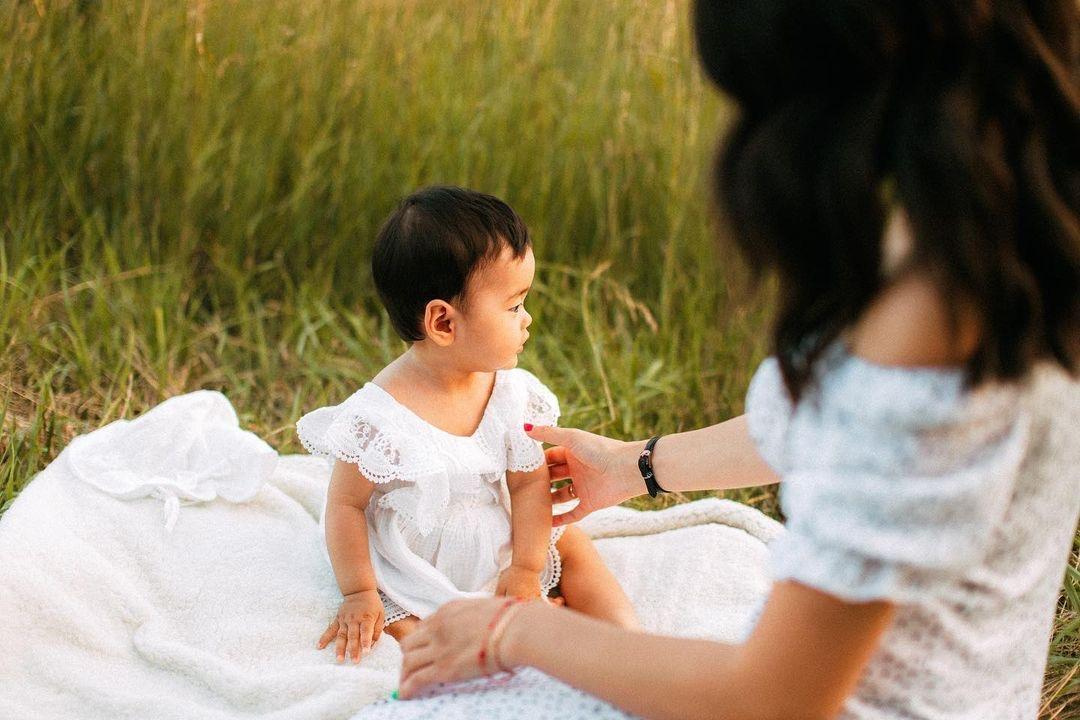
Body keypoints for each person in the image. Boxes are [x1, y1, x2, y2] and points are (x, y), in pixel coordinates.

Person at [393, 1, 1080, 718]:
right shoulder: (1011, 236)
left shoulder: (925, 336)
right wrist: (636, 465)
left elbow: (770, 698)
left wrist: (514, 630)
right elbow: (847, 438)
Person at [295, 186, 639, 664]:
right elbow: (347, 506)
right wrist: (358, 592)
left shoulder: (514, 394)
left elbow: (527, 484)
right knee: (401, 623)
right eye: (514, 306)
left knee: (573, 545)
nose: (528, 320)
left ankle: (623, 637)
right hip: (417, 556)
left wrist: (525, 566)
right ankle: (473, 650)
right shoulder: (379, 416)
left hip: (498, 532)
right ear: (443, 323)